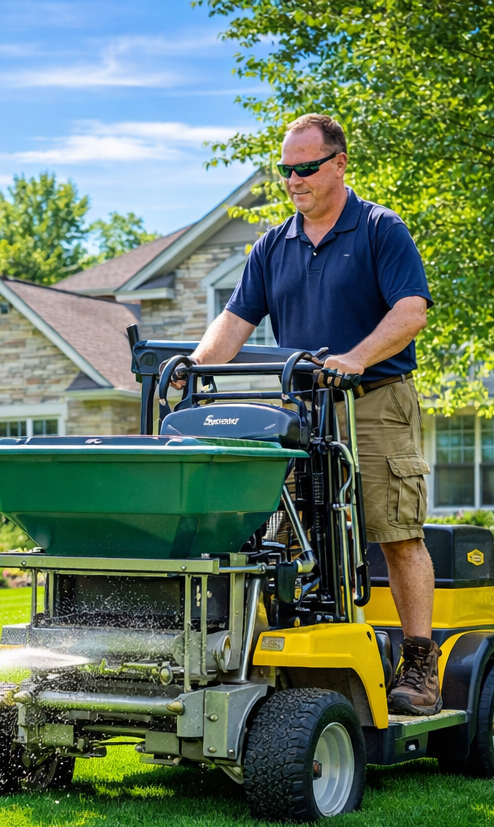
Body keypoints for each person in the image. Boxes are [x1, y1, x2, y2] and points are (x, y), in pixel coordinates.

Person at [186, 112, 441, 715]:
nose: (294, 180)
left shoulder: (379, 229)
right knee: (281, 534)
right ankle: (272, 650)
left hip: (373, 401)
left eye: (306, 168)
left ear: (339, 163)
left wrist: (354, 357)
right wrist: (193, 373)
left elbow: (411, 312)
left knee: (396, 531)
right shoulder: (274, 245)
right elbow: (233, 322)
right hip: (299, 411)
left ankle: (420, 662)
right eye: (286, 170)